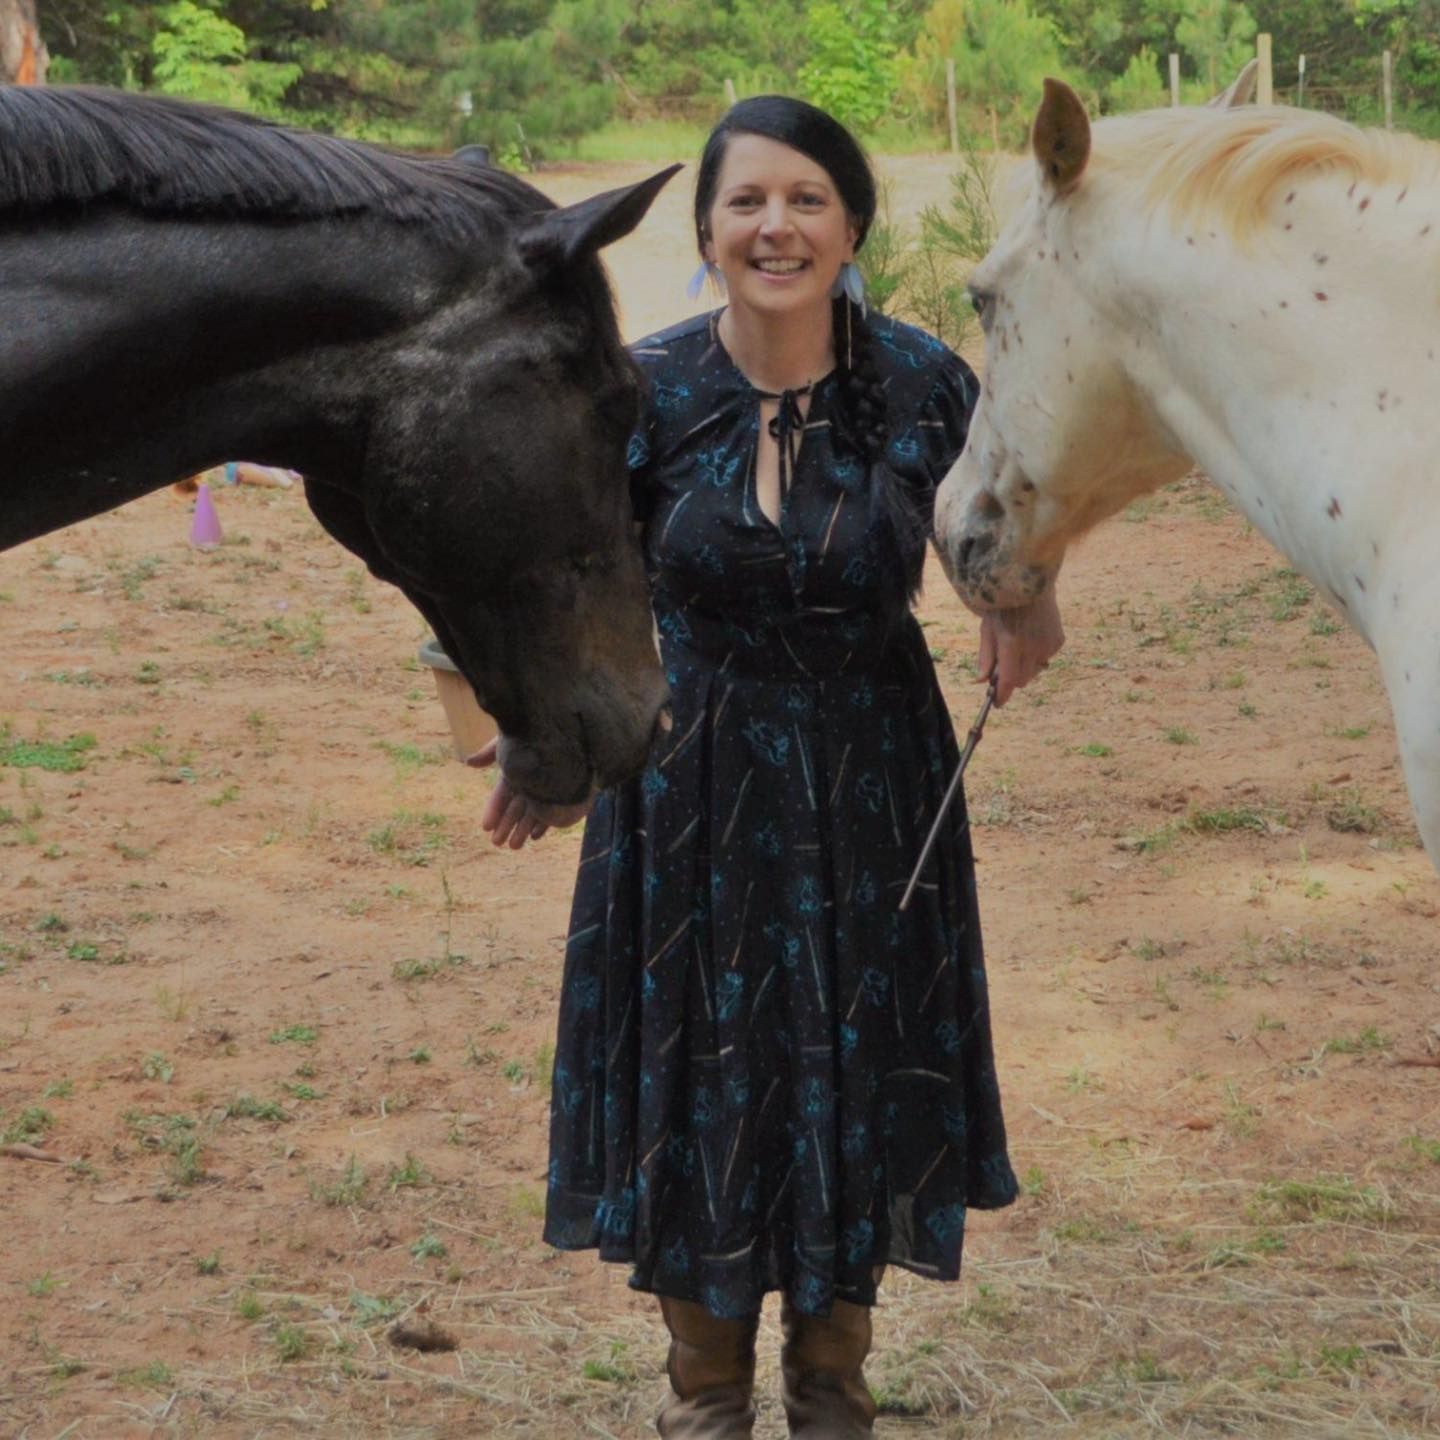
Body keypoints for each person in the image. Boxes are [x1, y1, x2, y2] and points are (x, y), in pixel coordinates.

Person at [473, 96, 1064, 1438]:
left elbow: (1005, 536)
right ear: (706, 233)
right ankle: (707, 1397)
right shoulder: (642, 390)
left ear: (853, 227)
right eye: (745, 202)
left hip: (874, 777)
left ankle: (830, 1386)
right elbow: (563, 579)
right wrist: (541, 745)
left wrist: (1024, 602)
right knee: (706, 1072)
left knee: (855, 1067)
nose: (775, 226)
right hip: (685, 784)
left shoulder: (925, 384)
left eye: (807, 199)